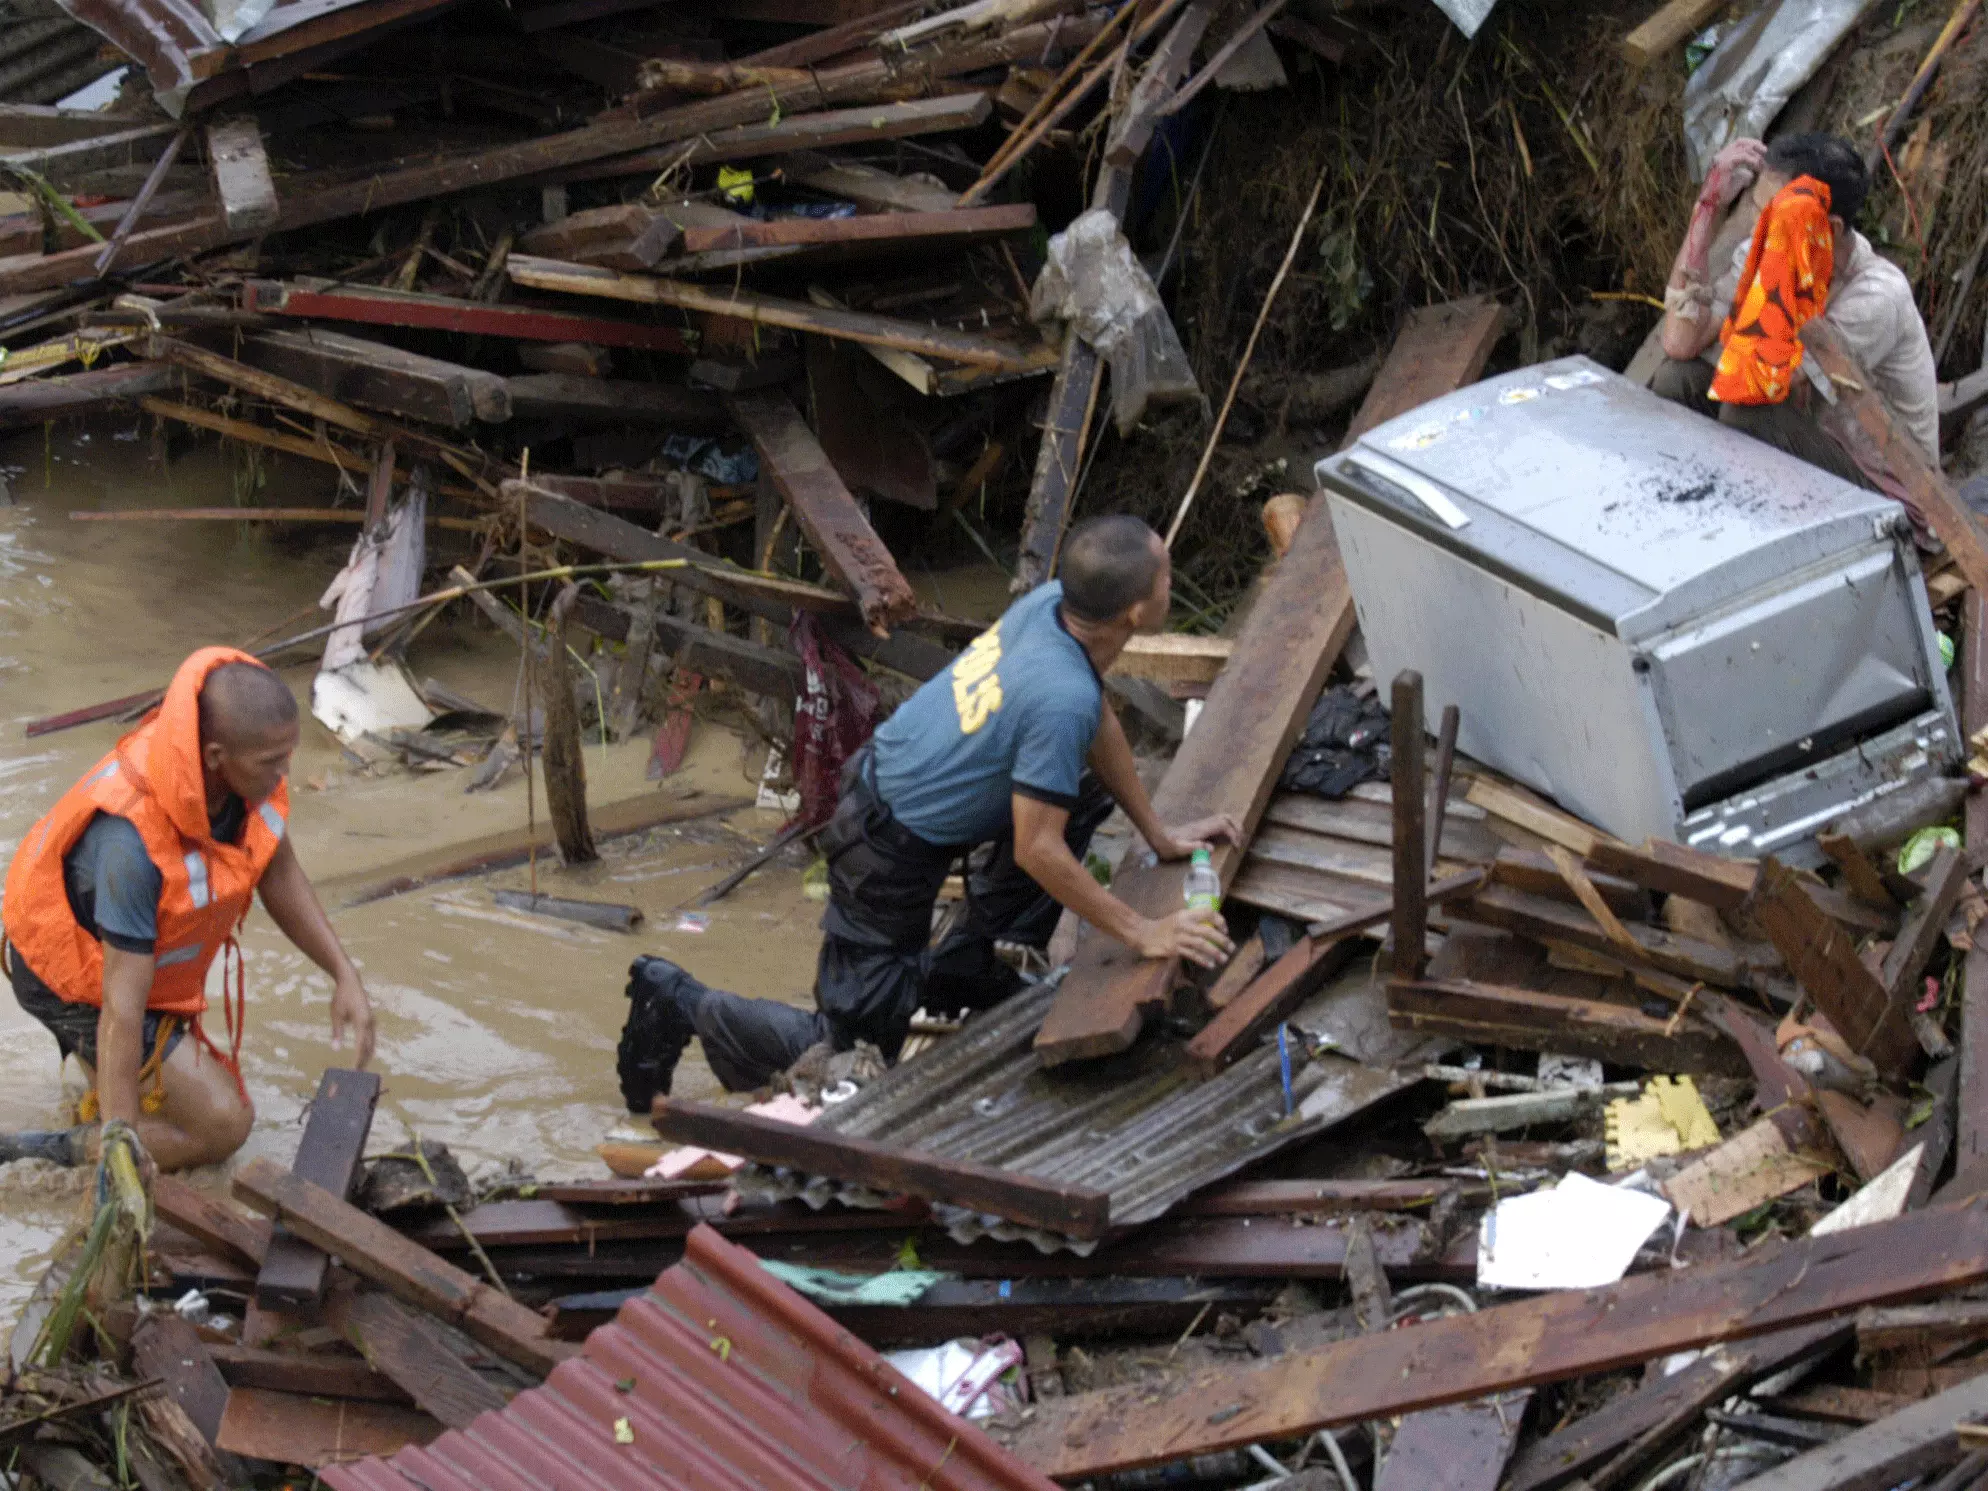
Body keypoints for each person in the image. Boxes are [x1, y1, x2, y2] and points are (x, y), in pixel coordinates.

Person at [619, 514, 1239, 1103]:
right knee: (854, 1050)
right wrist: (1143, 930)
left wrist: (1158, 835)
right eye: (1166, 576)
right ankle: (677, 996)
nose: (1171, 582)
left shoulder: (1052, 607)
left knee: (1077, 787)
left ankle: (971, 966)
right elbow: (1036, 848)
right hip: (882, 837)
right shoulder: (1060, 697)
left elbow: (1097, 716)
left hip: (918, 800)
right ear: (1135, 611)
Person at [0, 648, 376, 1171]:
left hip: (117, 954)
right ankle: (38, 1153)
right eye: (272, 761)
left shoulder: (249, 779)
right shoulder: (131, 847)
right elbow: (121, 1007)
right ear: (217, 756)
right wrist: (120, 1146)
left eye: (287, 755)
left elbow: (279, 869)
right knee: (222, 1124)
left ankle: (100, 1110)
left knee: (137, 1100)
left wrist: (343, 974)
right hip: (62, 974)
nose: (285, 772)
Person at [1652, 131, 1939, 482]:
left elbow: (1766, 384)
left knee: (1746, 414)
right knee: (1677, 379)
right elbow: (1680, 342)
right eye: (1759, 210)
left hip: (1882, 484)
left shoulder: (1878, 297)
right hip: (1805, 442)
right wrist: (1708, 208)